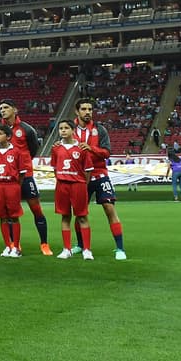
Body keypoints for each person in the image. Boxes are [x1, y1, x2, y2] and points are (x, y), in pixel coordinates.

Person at [73, 98, 126, 260]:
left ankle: (120, 249)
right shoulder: (70, 129)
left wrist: (91, 149)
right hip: (81, 177)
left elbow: (107, 152)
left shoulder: (100, 129)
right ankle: (80, 245)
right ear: (77, 111)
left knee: (109, 208)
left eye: (90, 109)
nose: (87, 112)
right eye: (84, 109)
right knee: (80, 213)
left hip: (100, 174)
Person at [0, 99, 52, 255]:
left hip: (26, 176)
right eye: (1, 108)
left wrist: (23, 165)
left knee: (37, 210)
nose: (3, 110)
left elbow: (33, 150)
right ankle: (15, 244)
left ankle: (44, 244)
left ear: (15, 109)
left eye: (6, 107)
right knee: (9, 213)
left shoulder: (27, 129)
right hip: (8, 179)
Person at [0, 124, 32, 257]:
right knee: (2, 217)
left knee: (14, 217)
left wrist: (16, 185)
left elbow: (22, 173)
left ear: (8, 136)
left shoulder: (16, 152)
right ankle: (8, 246)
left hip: (12, 186)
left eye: (0, 133)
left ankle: (16, 247)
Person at [51, 120, 92, 260]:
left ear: (73, 130)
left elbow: (88, 170)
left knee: (82, 216)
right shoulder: (56, 148)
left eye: (66, 128)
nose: (63, 130)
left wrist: (82, 184)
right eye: (60, 128)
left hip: (78, 185)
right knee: (65, 216)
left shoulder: (82, 148)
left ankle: (87, 250)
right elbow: (55, 168)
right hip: (62, 185)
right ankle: (66, 249)